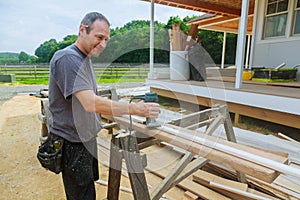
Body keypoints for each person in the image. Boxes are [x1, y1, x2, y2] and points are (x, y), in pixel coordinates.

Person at [48, 12, 160, 200]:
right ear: (82, 29)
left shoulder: (84, 59)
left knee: (87, 188)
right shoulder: (68, 59)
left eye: (106, 39)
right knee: (82, 195)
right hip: (72, 142)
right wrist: (135, 109)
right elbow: (90, 102)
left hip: (84, 138)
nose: (103, 44)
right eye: (99, 37)